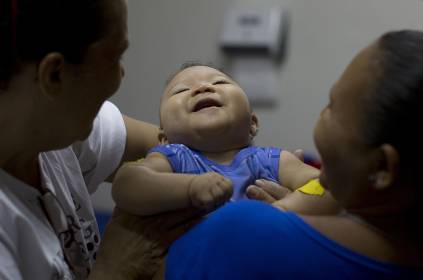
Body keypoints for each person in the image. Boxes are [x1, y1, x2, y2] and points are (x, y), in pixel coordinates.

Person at [158, 30, 423, 279]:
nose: (202, 89)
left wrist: (283, 215)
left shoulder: (241, 231)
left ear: (382, 168)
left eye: (332, 106)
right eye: (181, 91)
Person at [0, 0, 185, 279]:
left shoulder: (52, 125)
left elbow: (179, 146)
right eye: (115, 58)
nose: (120, 76)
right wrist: (115, 270)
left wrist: (264, 170)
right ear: (54, 75)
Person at [111, 63, 336, 216]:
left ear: (252, 123)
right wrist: (189, 188)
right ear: (163, 138)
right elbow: (127, 184)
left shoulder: (270, 160)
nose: (202, 87)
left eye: (219, 83)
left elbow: (331, 188)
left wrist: (285, 209)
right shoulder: (174, 159)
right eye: (181, 91)